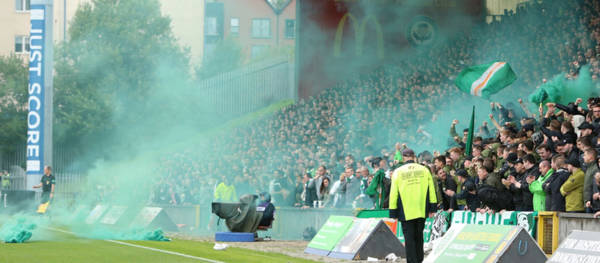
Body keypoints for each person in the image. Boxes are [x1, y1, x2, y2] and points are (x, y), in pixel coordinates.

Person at [389, 148, 437, 263]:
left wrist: (393, 212)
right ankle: (419, 260)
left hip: (406, 210)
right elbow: (432, 190)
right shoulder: (424, 170)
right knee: (419, 236)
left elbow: (393, 193)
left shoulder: (398, 171)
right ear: (414, 157)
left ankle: (412, 261)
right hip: (421, 208)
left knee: (409, 238)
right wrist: (432, 208)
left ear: (404, 157)